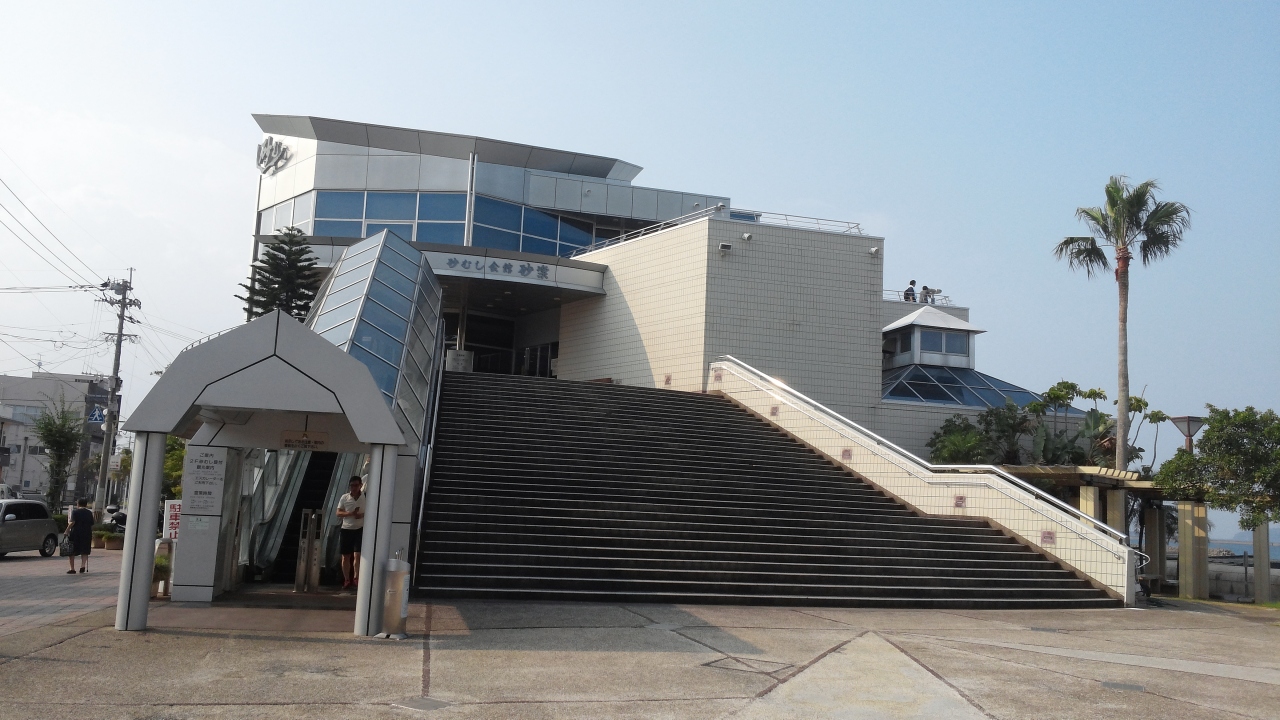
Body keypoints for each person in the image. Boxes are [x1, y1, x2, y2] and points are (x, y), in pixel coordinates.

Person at [336, 476, 366, 590]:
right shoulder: (345, 497)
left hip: (359, 528)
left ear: (361, 485)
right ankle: (346, 579)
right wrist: (350, 513)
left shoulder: (365, 497)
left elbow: (371, 511)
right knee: (346, 556)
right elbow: (338, 513)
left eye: (356, 485)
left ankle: (356, 577)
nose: (354, 488)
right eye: (352, 485)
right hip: (346, 529)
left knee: (357, 554)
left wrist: (361, 515)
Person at [65, 498, 94, 574]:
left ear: (78, 504)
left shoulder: (75, 512)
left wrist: (67, 530)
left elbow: (72, 522)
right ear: (86, 505)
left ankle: (72, 568)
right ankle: (82, 566)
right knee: (85, 550)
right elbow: (91, 524)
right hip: (87, 533)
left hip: (76, 533)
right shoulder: (89, 513)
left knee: (72, 550)